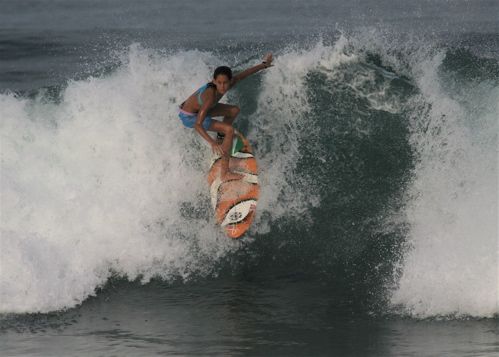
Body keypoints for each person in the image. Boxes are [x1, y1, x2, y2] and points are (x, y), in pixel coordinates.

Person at [178, 53, 273, 181]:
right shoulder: (210, 96)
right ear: (214, 81)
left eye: (225, 83)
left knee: (234, 110)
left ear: (230, 80)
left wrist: (264, 65)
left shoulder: (228, 83)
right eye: (219, 83)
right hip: (190, 117)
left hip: (199, 109)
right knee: (229, 129)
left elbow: (245, 74)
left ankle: (221, 139)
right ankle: (225, 173)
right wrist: (211, 143)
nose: (222, 86)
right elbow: (198, 124)